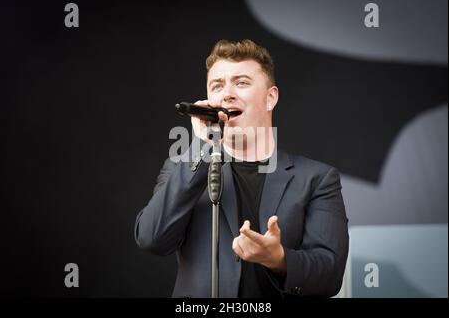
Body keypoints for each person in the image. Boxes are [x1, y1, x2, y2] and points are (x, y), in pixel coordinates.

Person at [134, 39, 349, 298]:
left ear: (271, 98)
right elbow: (151, 238)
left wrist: (278, 258)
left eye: (241, 82)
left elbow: (330, 274)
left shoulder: (316, 178)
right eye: (217, 85)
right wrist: (202, 147)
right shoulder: (183, 168)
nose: (227, 93)